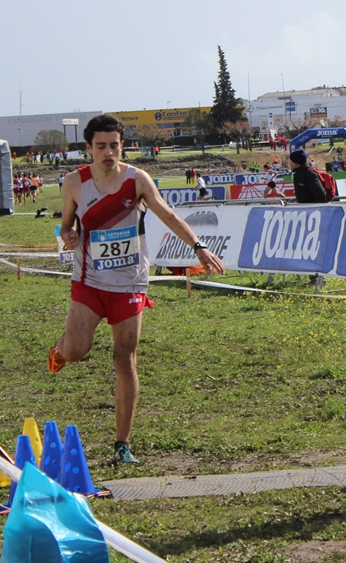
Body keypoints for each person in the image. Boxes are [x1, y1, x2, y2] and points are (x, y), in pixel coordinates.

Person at [49, 114, 224, 464]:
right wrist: (67, 235)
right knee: (77, 350)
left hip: (130, 282)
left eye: (114, 145)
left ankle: (122, 445)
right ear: (89, 149)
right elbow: (65, 228)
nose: (108, 153)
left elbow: (168, 215)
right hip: (89, 280)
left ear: (122, 146)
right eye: (101, 146)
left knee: (124, 359)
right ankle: (60, 349)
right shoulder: (74, 183)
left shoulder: (137, 180)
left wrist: (198, 246)